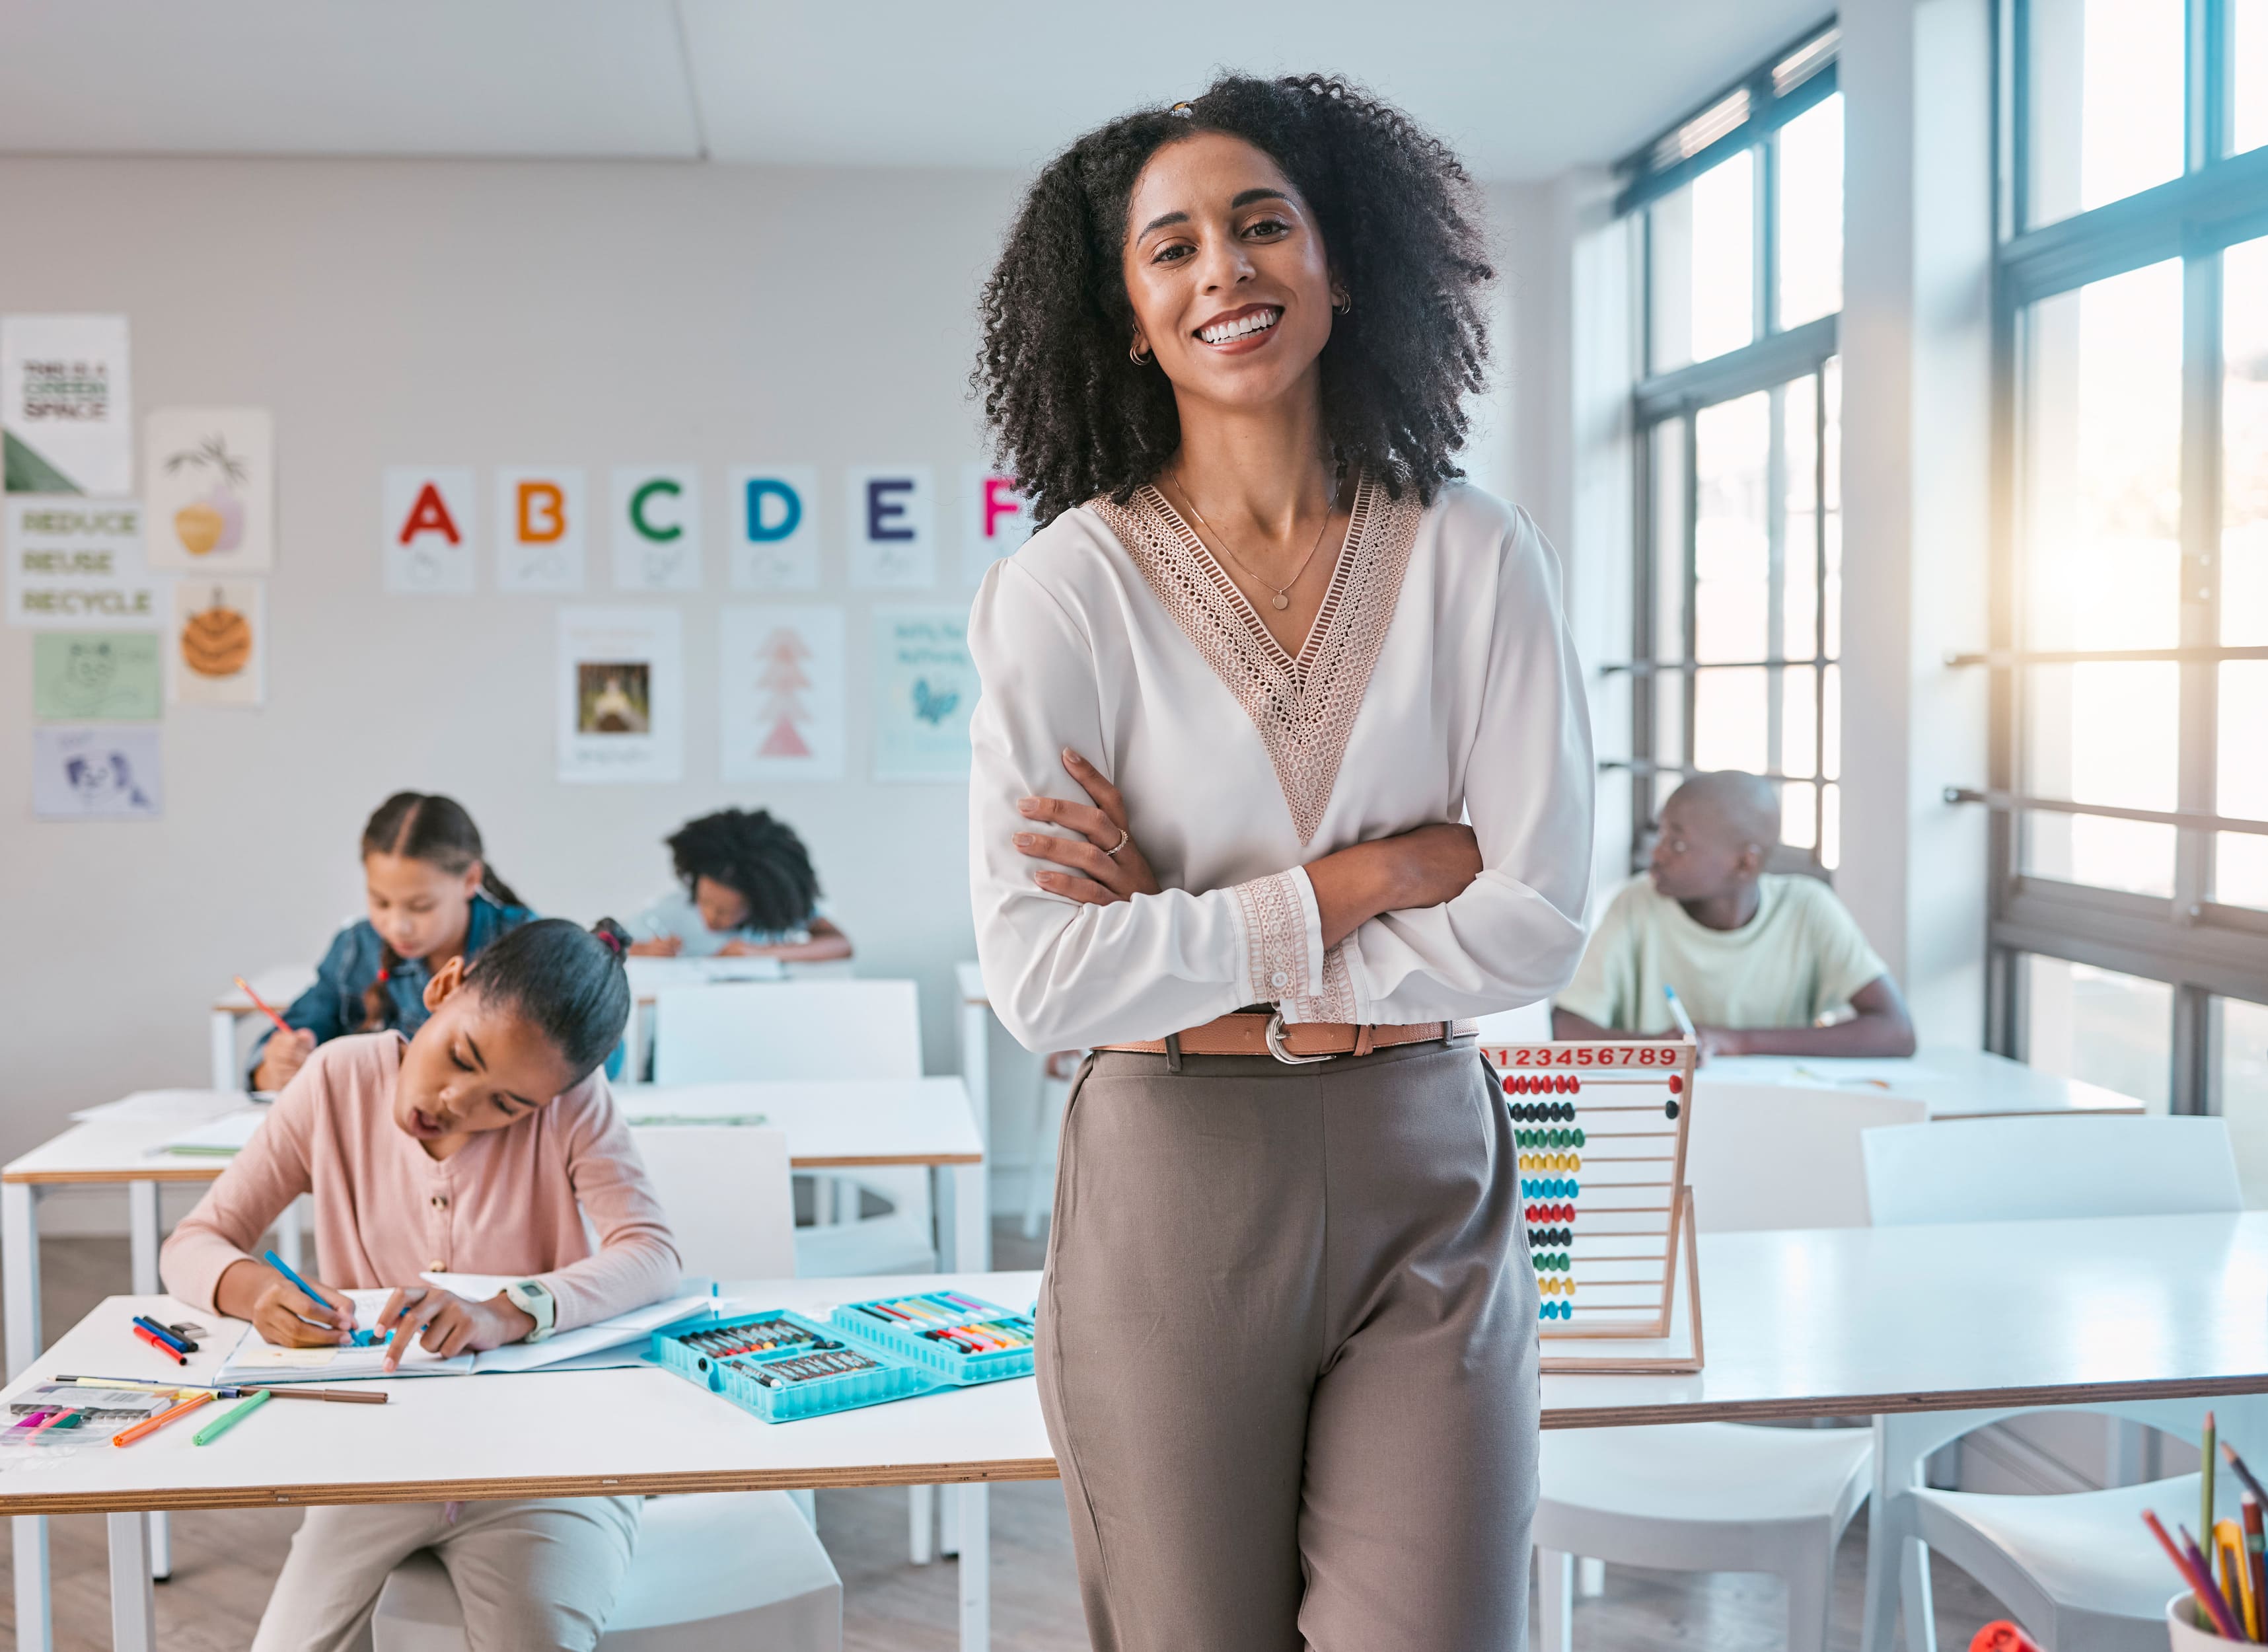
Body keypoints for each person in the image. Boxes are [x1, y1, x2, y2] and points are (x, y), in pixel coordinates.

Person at [967, 75, 1592, 1651]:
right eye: (1168, 248)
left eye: (1261, 225)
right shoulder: (1066, 589)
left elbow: (1532, 925)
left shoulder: (1474, 552)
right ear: (1123, 314)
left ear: (1342, 263)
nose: (1222, 272)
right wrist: (1363, 880)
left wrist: (1190, 954)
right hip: (1173, 1180)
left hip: (1422, 1167)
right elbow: (1041, 978)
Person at [161, 917, 675, 1652]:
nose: (459, 1100)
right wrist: (252, 1291)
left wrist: (508, 1311)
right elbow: (194, 1242)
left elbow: (651, 1252)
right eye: (459, 1056)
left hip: (547, 1467)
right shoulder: (338, 1078)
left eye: (507, 1105)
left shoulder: (573, 1101)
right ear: (443, 987)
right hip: (377, 1458)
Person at [1551, 770, 1918, 1057]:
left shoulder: (1808, 909)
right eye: (1660, 835)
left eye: (1676, 843)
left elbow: (1896, 1031)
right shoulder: (1636, 905)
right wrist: (1656, 1050)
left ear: (1744, 864)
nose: (1657, 854)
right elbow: (1566, 1025)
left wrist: (1737, 1041)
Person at [249, 792, 532, 1092]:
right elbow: (283, 1047)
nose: (398, 927)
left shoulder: (526, 947)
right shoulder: (357, 948)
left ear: (470, 880)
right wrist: (275, 1069)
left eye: (421, 906)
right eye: (381, 902)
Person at [626, 806, 851, 962]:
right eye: (704, 902)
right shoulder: (676, 909)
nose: (710, 916)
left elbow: (841, 945)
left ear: (760, 903)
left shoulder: (778, 914)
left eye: (725, 912)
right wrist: (646, 950)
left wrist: (761, 953)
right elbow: (610, 945)